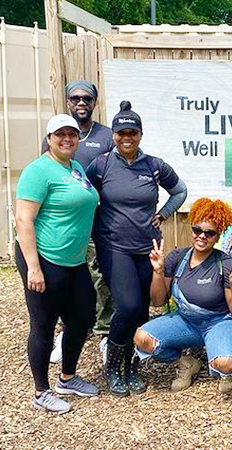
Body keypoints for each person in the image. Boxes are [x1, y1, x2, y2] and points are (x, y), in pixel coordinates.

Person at [86, 101, 188, 397]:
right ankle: (112, 368)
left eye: (132, 131)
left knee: (142, 311)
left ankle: (131, 368)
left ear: (140, 134)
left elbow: (180, 190)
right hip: (113, 246)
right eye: (121, 132)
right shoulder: (101, 165)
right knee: (127, 306)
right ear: (114, 135)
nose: (126, 137)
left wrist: (165, 213)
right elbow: (85, 197)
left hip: (147, 247)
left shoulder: (154, 166)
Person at [15, 114, 100, 414]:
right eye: (60, 134)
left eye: (72, 134)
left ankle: (67, 377)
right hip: (45, 258)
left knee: (83, 317)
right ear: (49, 139)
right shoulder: (38, 171)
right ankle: (41, 391)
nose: (67, 139)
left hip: (74, 261)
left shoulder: (75, 167)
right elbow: (24, 219)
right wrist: (33, 267)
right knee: (43, 325)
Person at [134, 198, 232, 393]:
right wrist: (158, 272)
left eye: (209, 233)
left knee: (226, 363)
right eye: (197, 230)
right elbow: (158, 301)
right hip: (186, 322)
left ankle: (224, 368)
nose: (202, 236)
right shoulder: (177, 258)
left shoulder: (225, 263)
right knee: (142, 338)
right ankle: (186, 364)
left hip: (220, 322)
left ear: (218, 235)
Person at [46, 81, 115, 364]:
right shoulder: (54, 138)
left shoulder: (107, 136)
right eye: (75, 98)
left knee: (99, 278)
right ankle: (67, 332)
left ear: (95, 102)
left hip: (98, 222)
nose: (81, 102)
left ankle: (103, 332)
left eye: (87, 98)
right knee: (64, 280)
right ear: (68, 101)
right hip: (67, 226)